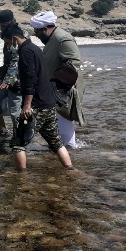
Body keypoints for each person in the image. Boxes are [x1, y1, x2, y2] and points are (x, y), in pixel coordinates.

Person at [2, 23, 73, 172]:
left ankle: (21, 179)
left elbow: (30, 80)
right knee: (56, 143)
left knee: (18, 143)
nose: (8, 47)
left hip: (35, 107)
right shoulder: (35, 49)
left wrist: (27, 106)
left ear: (15, 39)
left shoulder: (26, 53)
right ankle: (70, 170)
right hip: (49, 104)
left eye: (8, 43)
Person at [29, 11, 85, 149]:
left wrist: (56, 84)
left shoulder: (63, 39)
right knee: (57, 120)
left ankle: (70, 151)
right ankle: (62, 150)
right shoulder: (52, 39)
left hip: (65, 88)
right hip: (55, 88)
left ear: (46, 29)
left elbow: (74, 62)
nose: (35, 33)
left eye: (37, 30)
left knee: (64, 119)